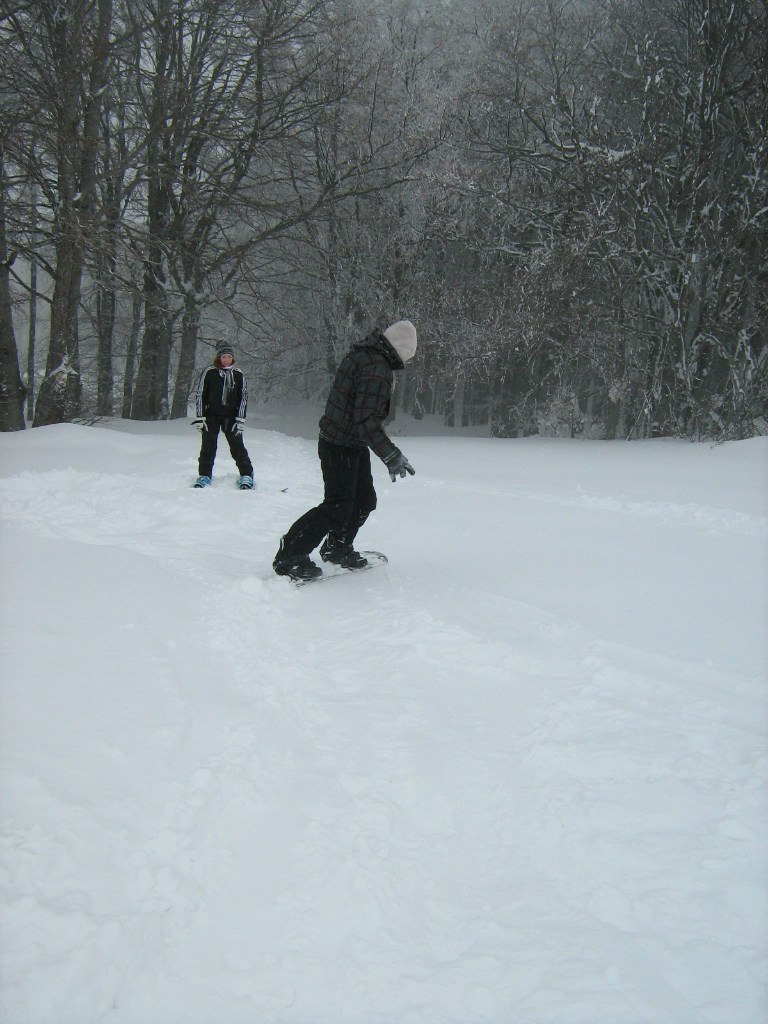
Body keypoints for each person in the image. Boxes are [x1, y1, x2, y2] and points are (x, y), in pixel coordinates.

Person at [273, 319, 417, 581]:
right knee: (338, 506)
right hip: (341, 444)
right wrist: (391, 455)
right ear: (401, 349)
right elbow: (366, 419)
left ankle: (337, 547)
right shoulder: (376, 368)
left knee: (364, 501)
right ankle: (290, 555)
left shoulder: (367, 355)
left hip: (348, 441)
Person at [192, 342, 254, 489]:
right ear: (218, 357)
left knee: (237, 446)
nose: (226, 359)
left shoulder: (238, 374)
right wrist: (200, 417)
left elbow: (243, 397)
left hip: (231, 417)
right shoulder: (210, 372)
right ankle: (204, 475)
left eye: (229, 357)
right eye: (223, 356)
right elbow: (200, 394)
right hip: (211, 416)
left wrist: (240, 420)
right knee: (208, 446)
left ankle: (246, 475)